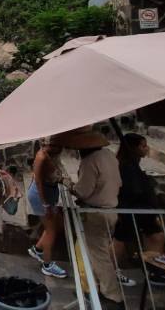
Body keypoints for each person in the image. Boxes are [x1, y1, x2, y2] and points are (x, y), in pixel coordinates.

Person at [63, 128, 123, 308]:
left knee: (99, 256)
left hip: (96, 212)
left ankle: (112, 295)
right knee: (95, 253)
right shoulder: (109, 156)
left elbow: (83, 191)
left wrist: (67, 183)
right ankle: (92, 288)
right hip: (111, 208)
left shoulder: (90, 161)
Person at [112, 133, 164, 287]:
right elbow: (133, 190)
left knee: (156, 237)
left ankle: (153, 270)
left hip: (141, 209)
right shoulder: (126, 167)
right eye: (143, 146)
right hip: (131, 210)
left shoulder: (133, 165)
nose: (146, 149)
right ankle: (111, 272)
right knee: (120, 241)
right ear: (133, 148)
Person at [26, 139, 68, 278]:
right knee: (51, 230)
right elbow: (37, 180)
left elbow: (53, 175)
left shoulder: (51, 156)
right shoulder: (42, 156)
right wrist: (45, 204)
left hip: (50, 192)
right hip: (41, 195)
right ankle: (47, 265)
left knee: (53, 225)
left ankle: (37, 249)